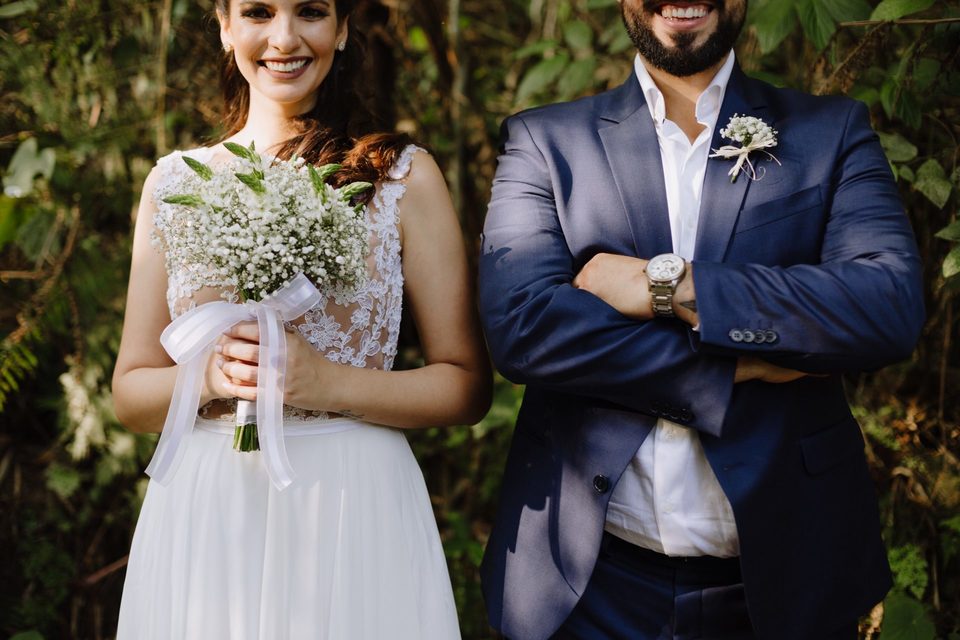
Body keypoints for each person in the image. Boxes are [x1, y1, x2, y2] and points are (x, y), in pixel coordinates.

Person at [477, 1, 924, 639]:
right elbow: (523, 326)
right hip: (590, 588)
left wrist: (666, 284)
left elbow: (886, 304)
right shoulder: (546, 142)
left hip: (787, 580)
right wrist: (738, 360)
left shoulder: (832, 132)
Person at [111, 1, 491, 638]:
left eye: (310, 11)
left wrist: (325, 383)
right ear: (225, 24)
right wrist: (207, 377)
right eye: (259, 11)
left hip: (350, 506)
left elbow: (466, 386)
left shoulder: (400, 176)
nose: (283, 38)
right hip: (210, 511)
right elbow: (129, 394)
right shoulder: (173, 186)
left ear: (341, 29)